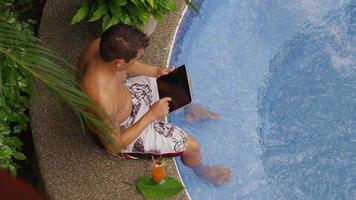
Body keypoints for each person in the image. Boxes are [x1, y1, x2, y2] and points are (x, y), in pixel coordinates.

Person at [79, 24, 231, 186]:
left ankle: (191, 111)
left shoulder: (102, 46)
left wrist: (157, 71)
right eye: (138, 58)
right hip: (124, 128)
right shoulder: (102, 98)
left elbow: (130, 65)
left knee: (183, 82)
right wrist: (151, 115)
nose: (140, 60)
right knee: (192, 146)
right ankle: (203, 171)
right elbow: (113, 144)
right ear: (119, 63)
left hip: (128, 96)